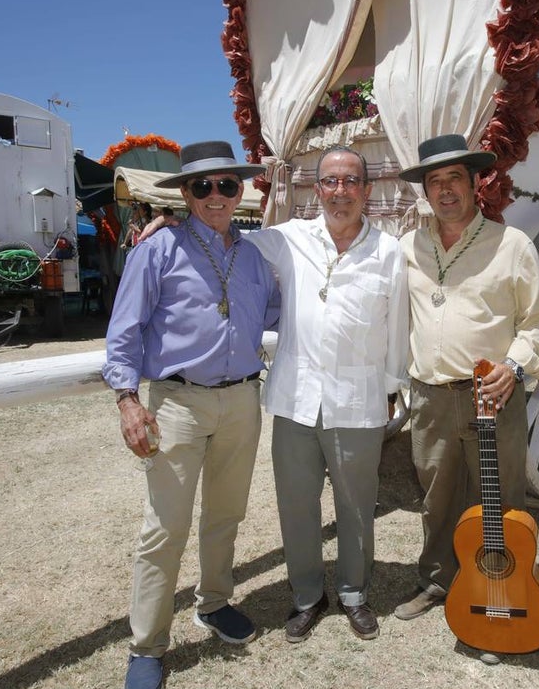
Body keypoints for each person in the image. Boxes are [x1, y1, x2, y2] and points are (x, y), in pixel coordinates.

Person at [139, 145, 410, 643]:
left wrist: (393, 389)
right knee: (296, 503)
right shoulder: (285, 239)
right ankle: (308, 595)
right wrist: (170, 229)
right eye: (329, 181)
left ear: (367, 190)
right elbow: (221, 237)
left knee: (356, 503)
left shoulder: (389, 251)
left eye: (351, 181)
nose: (339, 191)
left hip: (359, 399)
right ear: (317, 189)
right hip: (295, 399)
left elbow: (398, 330)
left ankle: (353, 591)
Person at [102, 141, 280, 689]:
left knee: (227, 513)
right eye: (202, 186)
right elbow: (124, 330)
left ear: (240, 191)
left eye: (227, 185)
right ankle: (147, 646)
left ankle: (214, 601)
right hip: (177, 402)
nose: (216, 196)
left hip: (242, 401)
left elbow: (276, 314)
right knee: (165, 527)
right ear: (185, 193)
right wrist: (128, 400)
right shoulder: (156, 251)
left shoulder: (254, 257)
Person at [392, 134, 539, 622]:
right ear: (425, 191)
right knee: (436, 497)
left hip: (492, 395)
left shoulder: (511, 245)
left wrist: (515, 368)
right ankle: (439, 581)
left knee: (501, 499)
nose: (444, 190)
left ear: (475, 182)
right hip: (430, 396)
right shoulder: (406, 248)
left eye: (454, 179)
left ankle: (499, 591)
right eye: (434, 181)